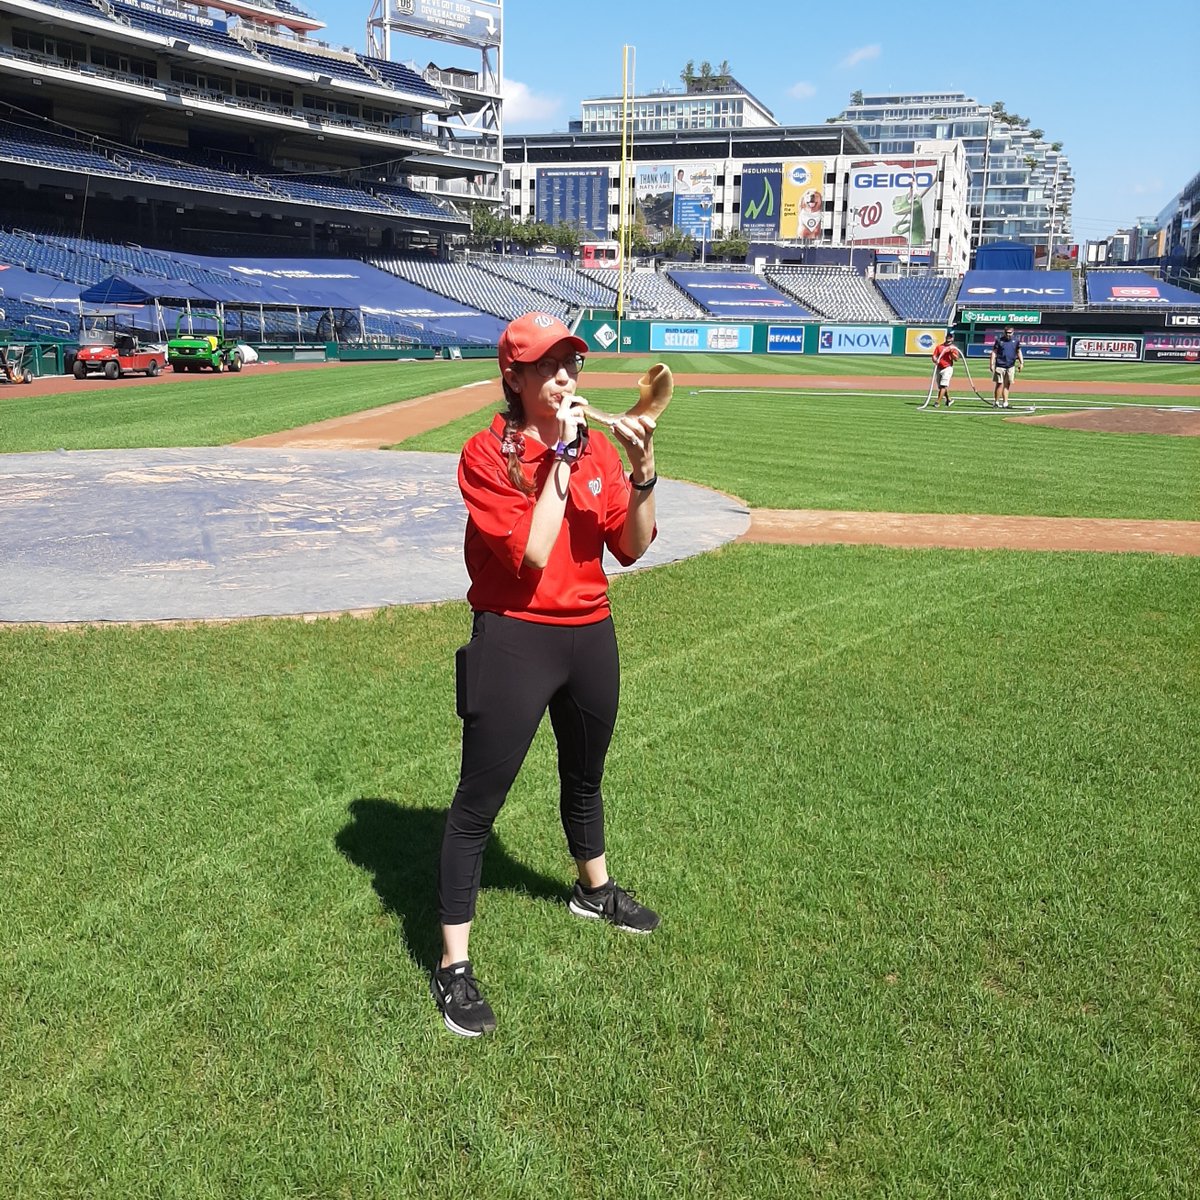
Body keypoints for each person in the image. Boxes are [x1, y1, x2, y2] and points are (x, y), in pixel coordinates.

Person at [431, 311, 661, 1038]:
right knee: (478, 804)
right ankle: (453, 966)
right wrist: (562, 457)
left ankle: (595, 892)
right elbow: (530, 555)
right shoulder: (483, 456)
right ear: (515, 377)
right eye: (548, 364)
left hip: (590, 635)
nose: (566, 374)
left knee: (586, 777)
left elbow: (633, 544)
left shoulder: (593, 454)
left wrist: (643, 473)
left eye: (572, 361)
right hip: (515, 640)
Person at [989, 326, 1024, 407]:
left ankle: (1005, 402)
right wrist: (991, 363)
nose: (1008, 335)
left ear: (1013, 332)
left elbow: (1018, 351)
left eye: (1010, 333)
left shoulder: (1016, 341)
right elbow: (994, 352)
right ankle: (996, 402)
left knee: (1007, 384)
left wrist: (1021, 362)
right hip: (1000, 365)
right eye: (1007, 333)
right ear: (1004, 332)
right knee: (999, 384)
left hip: (1010, 365)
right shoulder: (999, 341)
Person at [931, 329, 961, 407]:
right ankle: (949, 399)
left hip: (947, 368)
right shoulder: (939, 347)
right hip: (939, 368)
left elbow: (956, 359)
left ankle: (937, 402)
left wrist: (951, 352)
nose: (949, 338)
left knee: (943, 386)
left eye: (950, 337)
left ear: (952, 338)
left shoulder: (953, 348)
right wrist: (935, 360)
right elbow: (934, 356)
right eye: (948, 336)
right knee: (941, 386)